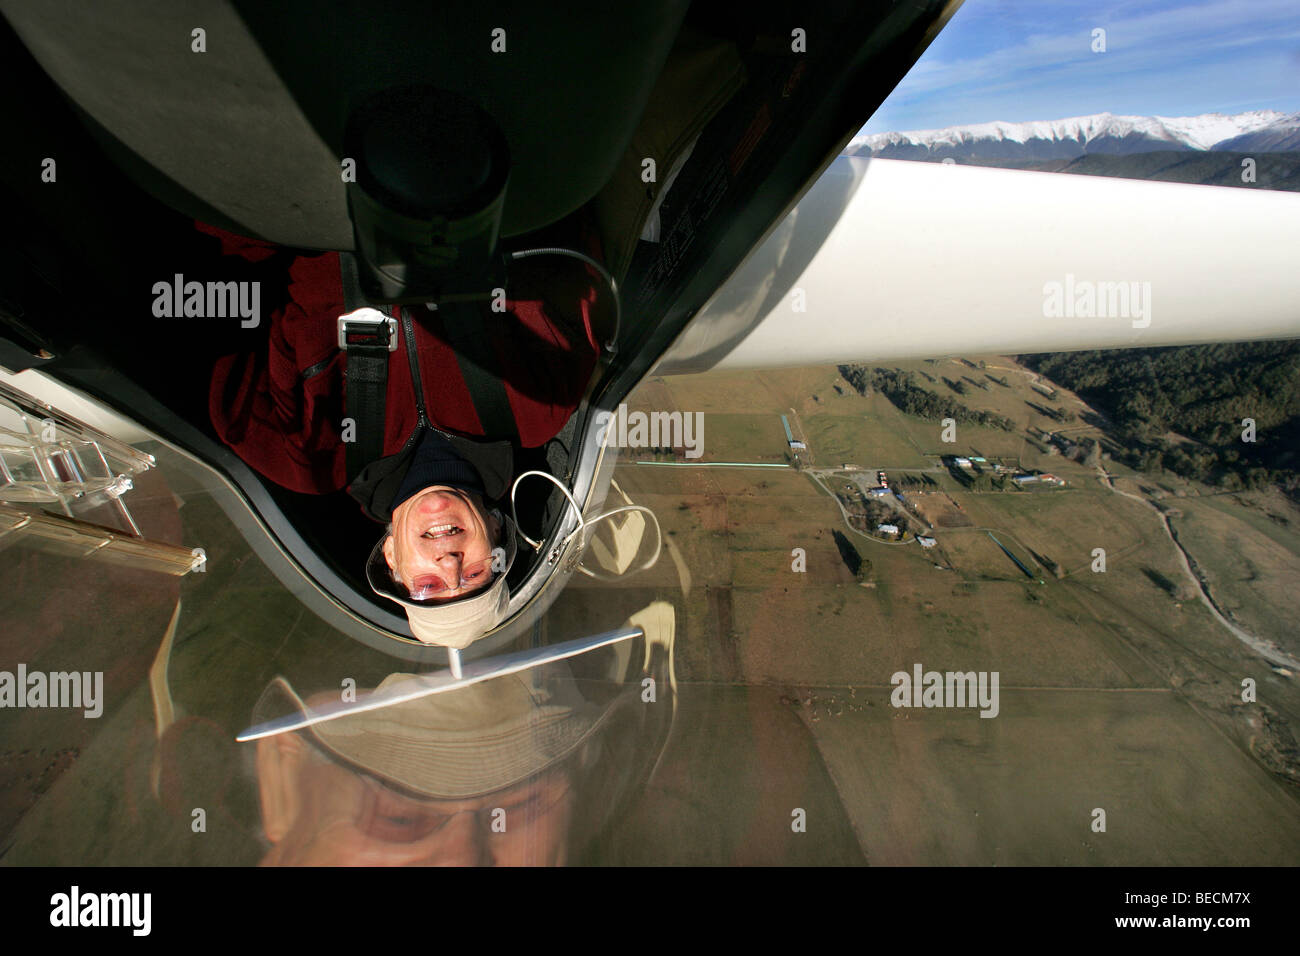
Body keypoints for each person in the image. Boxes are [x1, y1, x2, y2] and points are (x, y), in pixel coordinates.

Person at [200, 217, 606, 645]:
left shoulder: (304, 457)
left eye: (429, 587)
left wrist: (270, 204)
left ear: (392, 559)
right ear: (498, 531)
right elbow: (565, 237)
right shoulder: (538, 407)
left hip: (304, 193)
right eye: (473, 575)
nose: (449, 564)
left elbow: (221, 286)